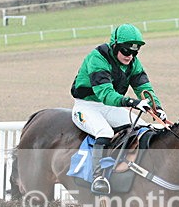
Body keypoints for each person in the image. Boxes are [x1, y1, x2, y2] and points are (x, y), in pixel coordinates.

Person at [70, 23, 168, 195]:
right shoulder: (97, 58)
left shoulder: (133, 63)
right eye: (126, 51)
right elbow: (105, 94)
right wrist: (132, 102)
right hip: (86, 106)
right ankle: (98, 178)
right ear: (115, 46)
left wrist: (156, 107)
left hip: (110, 107)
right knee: (104, 132)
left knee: (143, 128)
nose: (130, 56)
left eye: (135, 52)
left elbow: (144, 88)